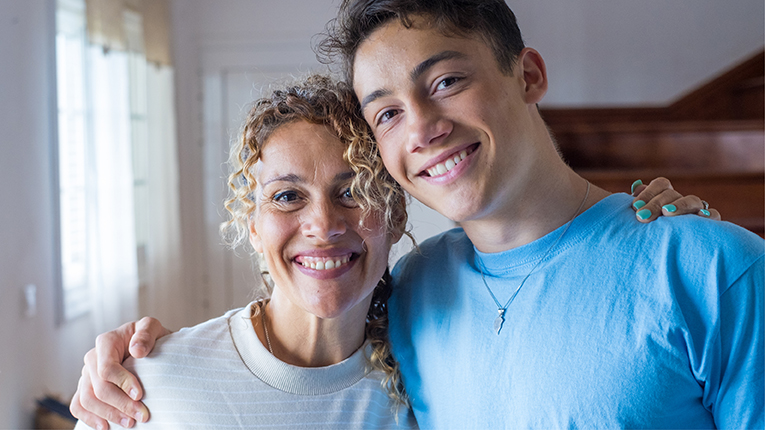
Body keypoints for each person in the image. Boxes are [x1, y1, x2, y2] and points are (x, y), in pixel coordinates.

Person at [71, 0, 760, 428]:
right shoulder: (410, 295)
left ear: (527, 75)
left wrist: (690, 238)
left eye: (447, 81)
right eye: (388, 112)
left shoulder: (710, 268)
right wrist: (130, 358)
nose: (423, 126)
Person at [73, 75, 417, 429]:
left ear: (396, 216)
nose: (324, 224)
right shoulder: (149, 387)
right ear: (253, 226)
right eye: (287, 196)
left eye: (353, 191)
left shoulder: (426, 388)